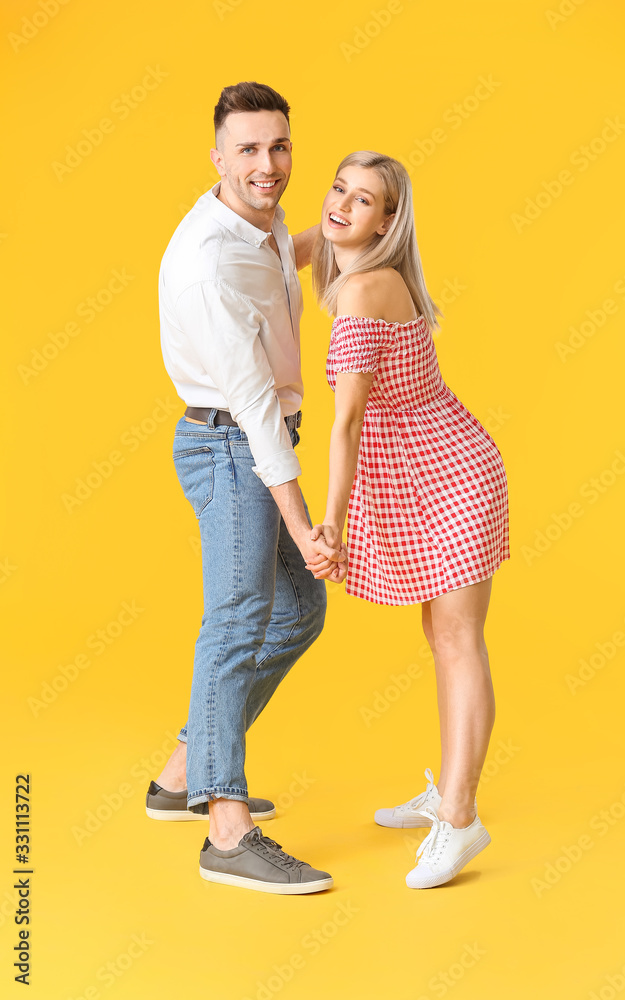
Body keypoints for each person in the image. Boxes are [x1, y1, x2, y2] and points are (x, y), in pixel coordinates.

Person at [148, 81, 345, 895]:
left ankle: (183, 775)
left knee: (298, 612)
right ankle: (225, 830)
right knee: (234, 625)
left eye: (280, 147)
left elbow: (277, 261)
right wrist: (303, 529)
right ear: (217, 158)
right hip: (234, 446)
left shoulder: (254, 223)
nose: (269, 165)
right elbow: (260, 413)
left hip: (252, 442)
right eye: (250, 150)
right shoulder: (208, 265)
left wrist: (343, 233)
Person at [307, 151, 510, 888]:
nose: (340, 206)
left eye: (363, 200)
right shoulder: (354, 262)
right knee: (442, 633)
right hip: (426, 475)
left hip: (451, 476)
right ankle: (449, 787)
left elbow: (349, 420)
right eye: (337, 189)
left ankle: (460, 817)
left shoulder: (365, 288)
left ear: (388, 220)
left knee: (458, 639)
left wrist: (331, 527)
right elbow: (290, 242)